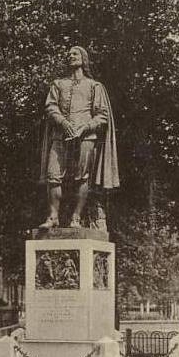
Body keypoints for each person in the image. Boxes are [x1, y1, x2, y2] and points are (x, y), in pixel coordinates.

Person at [38, 46, 120, 230]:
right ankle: (53, 217)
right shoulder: (58, 84)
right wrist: (63, 123)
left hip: (85, 137)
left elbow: (102, 114)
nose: (70, 56)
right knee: (53, 175)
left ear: (83, 59)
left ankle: (76, 217)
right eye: (68, 54)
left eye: (75, 54)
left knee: (82, 178)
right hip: (60, 136)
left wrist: (85, 127)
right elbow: (50, 107)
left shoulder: (94, 86)